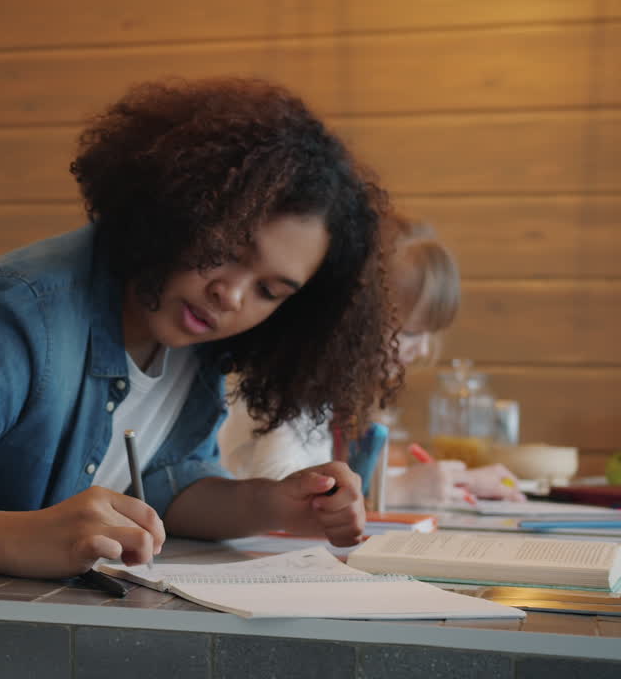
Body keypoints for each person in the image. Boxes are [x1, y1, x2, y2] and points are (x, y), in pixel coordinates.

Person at [0, 76, 399, 642]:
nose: (231, 295)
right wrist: (31, 538)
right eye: (227, 248)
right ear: (181, 205)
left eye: (269, 291)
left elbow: (165, 484)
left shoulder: (190, 339)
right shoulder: (20, 311)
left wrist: (272, 505)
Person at [218, 215, 525, 505]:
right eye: (412, 333)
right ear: (354, 322)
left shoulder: (329, 391)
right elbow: (278, 485)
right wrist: (398, 489)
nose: (422, 351)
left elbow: (324, 471)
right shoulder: (288, 385)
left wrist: (459, 482)